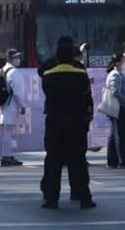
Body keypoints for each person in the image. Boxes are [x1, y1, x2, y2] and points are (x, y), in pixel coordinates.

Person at [39, 36, 94, 209]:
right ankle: (84, 197)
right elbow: (86, 97)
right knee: (78, 160)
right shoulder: (81, 74)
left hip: (55, 122)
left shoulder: (48, 76)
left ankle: (51, 198)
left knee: (53, 160)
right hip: (77, 122)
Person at [0, 49, 27, 167]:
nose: (18, 60)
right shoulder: (14, 72)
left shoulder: (4, 69)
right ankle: (7, 156)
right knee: (8, 132)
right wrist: (22, 105)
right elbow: (17, 92)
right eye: (16, 57)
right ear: (10, 59)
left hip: (5, 104)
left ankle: (5, 155)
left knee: (5, 132)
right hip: (11, 105)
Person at [105, 53, 125, 169]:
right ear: (117, 62)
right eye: (123, 61)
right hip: (117, 107)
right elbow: (115, 92)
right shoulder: (115, 75)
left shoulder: (118, 74)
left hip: (118, 107)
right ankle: (121, 160)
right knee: (119, 134)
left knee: (115, 133)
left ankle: (113, 160)